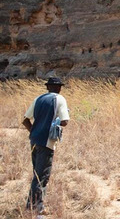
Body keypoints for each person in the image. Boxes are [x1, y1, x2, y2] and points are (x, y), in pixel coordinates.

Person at [22, 77, 70, 214]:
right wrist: (56, 123)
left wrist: (34, 131)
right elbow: (65, 121)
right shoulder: (60, 99)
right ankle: (35, 209)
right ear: (59, 88)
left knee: (37, 173)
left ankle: (31, 206)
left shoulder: (38, 99)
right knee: (42, 176)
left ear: (47, 87)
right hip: (47, 142)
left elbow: (25, 120)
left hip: (34, 140)